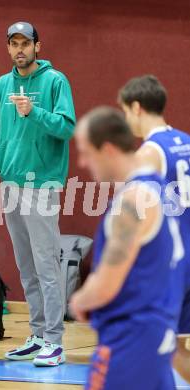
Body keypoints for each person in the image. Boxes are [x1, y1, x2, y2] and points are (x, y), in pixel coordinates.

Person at [0, 21, 76, 366]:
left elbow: (66, 127)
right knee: (26, 266)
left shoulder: (55, 81)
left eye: (25, 43)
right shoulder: (2, 85)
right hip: (11, 185)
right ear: (7, 48)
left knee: (46, 264)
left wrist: (34, 112)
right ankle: (36, 336)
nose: (19, 49)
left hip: (42, 184)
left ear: (38, 46)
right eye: (13, 43)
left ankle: (54, 341)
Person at [71, 107, 178, 389]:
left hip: (129, 339)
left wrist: (79, 300)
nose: (82, 162)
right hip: (156, 333)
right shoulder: (155, 186)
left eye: (85, 152)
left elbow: (106, 285)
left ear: (107, 149)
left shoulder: (132, 201)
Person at [118, 75, 190, 383]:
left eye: (123, 111)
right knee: (177, 343)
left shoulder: (148, 154)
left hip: (172, 262)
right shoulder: (186, 140)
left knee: (155, 344)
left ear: (136, 108)